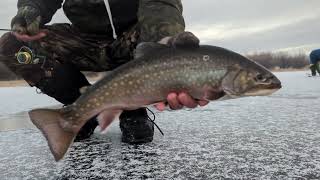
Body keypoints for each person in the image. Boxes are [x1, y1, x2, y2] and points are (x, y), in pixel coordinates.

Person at [0, 0, 209, 144]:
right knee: (13, 45)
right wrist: (30, 9)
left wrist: (164, 40)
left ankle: (133, 111)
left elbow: (160, 5)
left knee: (154, 39)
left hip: (133, 41)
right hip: (85, 40)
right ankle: (83, 108)